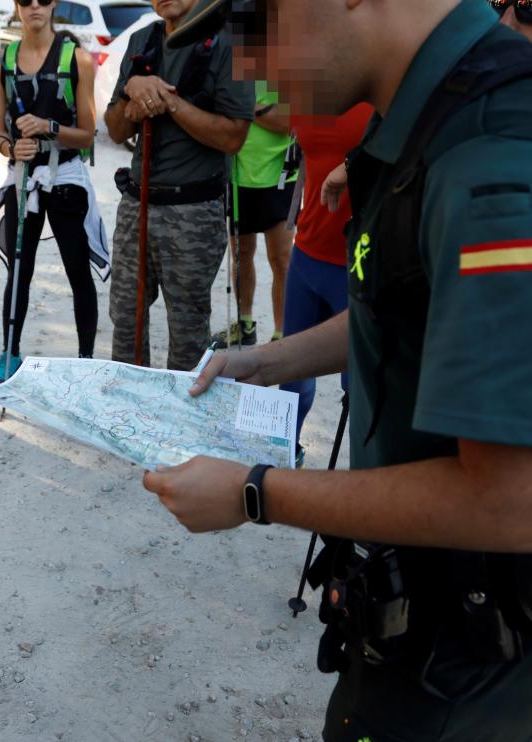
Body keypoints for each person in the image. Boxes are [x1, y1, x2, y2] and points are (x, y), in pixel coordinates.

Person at [144, 1, 532, 739]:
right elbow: (410, 307)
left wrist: (257, 493)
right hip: (423, 636)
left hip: (483, 674)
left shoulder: (490, 153)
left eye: (258, 25)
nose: (249, 65)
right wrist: (265, 359)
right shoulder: (431, 115)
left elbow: (511, 499)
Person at [104, 0, 254, 371]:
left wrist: (166, 100)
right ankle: (127, 414)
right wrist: (131, 92)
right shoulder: (141, 41)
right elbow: (115, 128)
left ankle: (179, 422)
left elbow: (233, 136)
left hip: (193, 212)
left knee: (187, 329)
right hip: (137, 204)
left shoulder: (228, 45)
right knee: (125, 317)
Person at [0, 0, 107, 384]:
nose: (34, 5)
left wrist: (47, 126)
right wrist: (9, 148)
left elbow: (87, 134)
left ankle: (85, 360)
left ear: (54, 4)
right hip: (23, 176)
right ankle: (10, 353)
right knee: (18, 270)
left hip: (65, 175)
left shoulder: (77, 59)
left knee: (76, 272)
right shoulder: (1, 60)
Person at [279, 103, 372, 447]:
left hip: (357, 264)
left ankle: (365, 487)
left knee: (360, 392)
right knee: (291, 377)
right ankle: (284, 462)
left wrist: (352, 164)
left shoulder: (381, 88)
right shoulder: (309, 85)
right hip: (306, 252)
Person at [213, 81, 297, 348]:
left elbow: (288, 121)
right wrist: (260, 111)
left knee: (281, 260)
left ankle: (282, 333)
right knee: (241, 255)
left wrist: (244, 108)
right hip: (238, 174)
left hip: (280, 175)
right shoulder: (236, 66)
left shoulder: (288, 65)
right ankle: (244, 323)